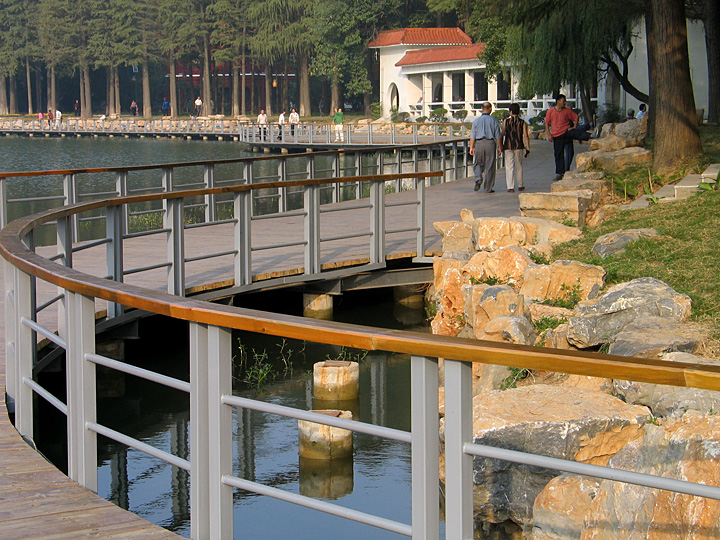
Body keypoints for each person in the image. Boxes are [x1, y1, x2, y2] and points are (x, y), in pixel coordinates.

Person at [544, 94, 591, 181]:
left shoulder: (567, 111)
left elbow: (576, 117)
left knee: (574, 135)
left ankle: (590, 135)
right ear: (558, 101)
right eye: (563, 101)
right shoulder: (551, 111)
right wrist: (549, 134)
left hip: (566, 132)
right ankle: (560, 173)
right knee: (558, 155)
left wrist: (574, 127)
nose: (565, 103)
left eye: (565, 101)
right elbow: (547, 122)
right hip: (557, 135)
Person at [469, 102, 502, 193]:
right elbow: (498, 135)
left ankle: (478, 177)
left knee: (478, 163)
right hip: (490, 143)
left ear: (482, 108)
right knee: (490, 166)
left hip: (479, 143)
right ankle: (488, 188)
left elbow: (473, 135)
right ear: (490, 109)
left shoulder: (476, 121)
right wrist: (500, 147)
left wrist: (471, 147)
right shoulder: (494, 120)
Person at [500, 103, 530, 193]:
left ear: (511, 111)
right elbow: (525, 135)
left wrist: (500, 145)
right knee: (519, 165)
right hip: (519, 146)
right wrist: (528, 148)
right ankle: (520, 185)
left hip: (508, 146)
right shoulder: (522, 122)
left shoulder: (506, 121)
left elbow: (502, 134)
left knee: (509, 166)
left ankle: (510, 186)